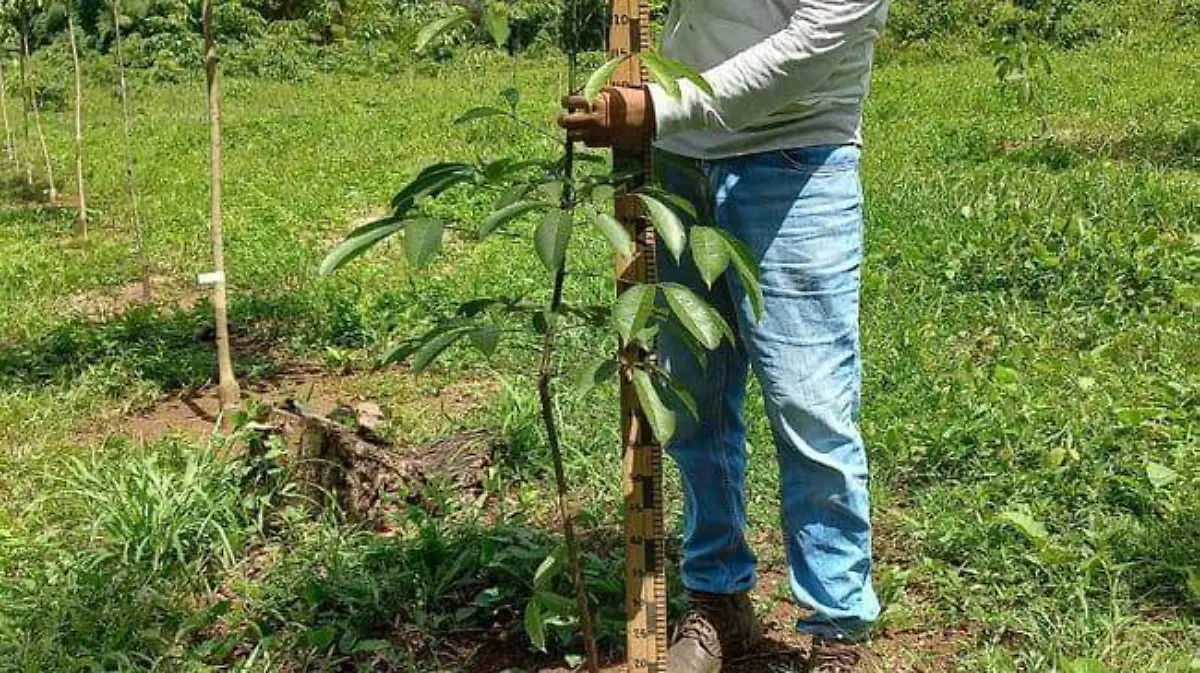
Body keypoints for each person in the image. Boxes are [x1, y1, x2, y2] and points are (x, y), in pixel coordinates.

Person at [560, 1, 891, 671]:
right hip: (679, 162)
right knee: (695, 400)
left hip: (794, 157)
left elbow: (814, 42)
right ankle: (719, 600)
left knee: (810, 406)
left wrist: (655, 108)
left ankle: (835, 631)